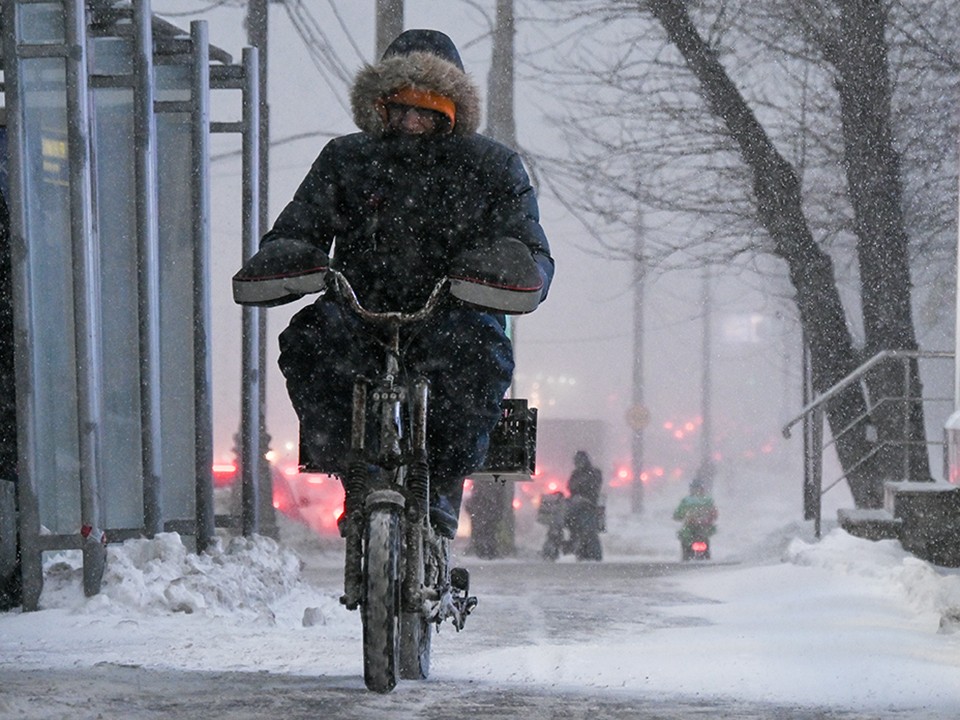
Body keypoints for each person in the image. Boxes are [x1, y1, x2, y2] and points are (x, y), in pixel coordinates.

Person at [243, 29, 554, 539]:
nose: (411, 121)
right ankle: (354, 470)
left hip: (454, 312)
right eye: (400, 107)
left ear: (451, 110)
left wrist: (512, 271)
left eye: (425, 110)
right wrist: (288, 257)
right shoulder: (346, 159)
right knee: (309, 340)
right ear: (379, 105)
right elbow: (300, 226)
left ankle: (441, 485)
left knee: (479, 353)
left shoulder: (493, 166)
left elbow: (527, 243)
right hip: (359, 313)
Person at [565, 450, 604, 561]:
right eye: (577, 461)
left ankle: (593, 554)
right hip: (576, 505)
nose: (578, 464)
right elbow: (570, 487)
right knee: (573, 523)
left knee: (588, 529)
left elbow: (592, 487)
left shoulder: (594, 473)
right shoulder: (576, 473)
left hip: (589, 505)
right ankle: (579, 549)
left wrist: (582, 494)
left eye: (580, 461)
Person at [673, 476, 718, 559]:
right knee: (705, 540)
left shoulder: (686, 501)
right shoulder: (708, 500)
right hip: (704, 528)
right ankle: (706, 556)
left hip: (689, 529)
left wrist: (679, 516)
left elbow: (678, 514)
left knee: (686, 543)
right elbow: (714, 514)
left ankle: (686, 556)